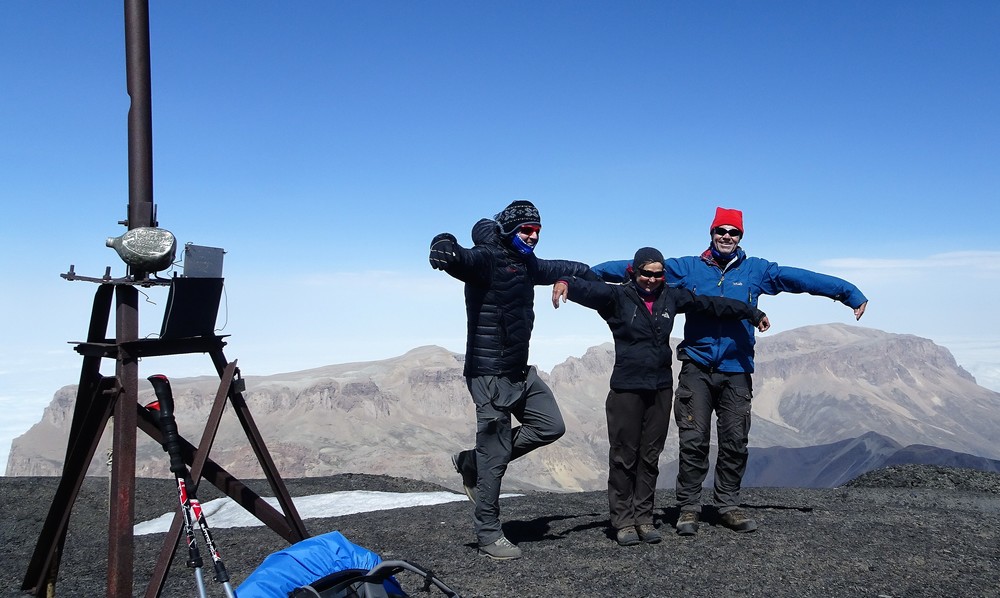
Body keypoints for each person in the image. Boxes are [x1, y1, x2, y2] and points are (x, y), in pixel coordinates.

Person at [574, 207, 868, 535]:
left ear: (741, 237)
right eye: (721, 231)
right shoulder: (687, 269)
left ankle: (727, 504)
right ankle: (688, 507)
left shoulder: (758, 271)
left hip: (737, 367)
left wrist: (846, 293)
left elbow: (798, 278)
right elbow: (633, 268)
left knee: (734, 440)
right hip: (697, 367)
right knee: (694, 440)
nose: (727, 236)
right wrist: (589, 275)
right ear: (711, 234)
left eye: (734, 232)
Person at [553, 247, 769, 546]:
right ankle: (623, 521)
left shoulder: (671, 297)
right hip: (627, 389)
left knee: (649, 456)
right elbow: (589, 289)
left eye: (658, 274)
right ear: (634, 272)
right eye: (646, 273)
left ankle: (644, 518)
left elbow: (711, 304)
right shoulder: (617, 298)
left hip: (660, 388)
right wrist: (566, 281)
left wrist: (751, 312)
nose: (652, 280)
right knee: (623, 457)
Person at [428, 200, 599, 560]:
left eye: (538, 231)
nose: (533, 237)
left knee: (551, 425)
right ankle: (488, 534)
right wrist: (442, 242)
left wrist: (611, 277)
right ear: (508, 229)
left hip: (519, 371)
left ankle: (473, 461)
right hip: (489, 374)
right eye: (526, 230)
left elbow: (571, 267)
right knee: (495, 458)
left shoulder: (526, 263)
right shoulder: (485, 259)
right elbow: (459, 257)